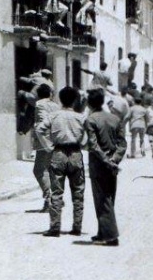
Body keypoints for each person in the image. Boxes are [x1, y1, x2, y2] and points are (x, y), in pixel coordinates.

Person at [40, 87, 87, 237]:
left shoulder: (53, 116)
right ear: (74, 100)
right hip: (75, 153)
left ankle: (55, 227)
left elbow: (39, 129)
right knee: (78, 192)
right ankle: (77, 226)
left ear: (60, 99)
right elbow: (89, 134)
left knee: (56, 191)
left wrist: (48, 146)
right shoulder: (80, 117)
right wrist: (83, 143)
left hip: (58, 153)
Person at [85, 89, 127, 246]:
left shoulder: (91, 120)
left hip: (99, 164)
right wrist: (114, 160)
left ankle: (110, 236)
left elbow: (93, 145)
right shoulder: (115, 119)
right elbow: (122, 143)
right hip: (112, 165)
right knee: (109, 197)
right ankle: (102, 231)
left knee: (101, 199)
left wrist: (106, 161)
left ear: (89, 103)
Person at [32, 82, 60, 212]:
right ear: (50, 93)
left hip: (44, 141)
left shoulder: (39, 104)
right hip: (55, 139)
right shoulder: (55, 105)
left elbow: (41, 122)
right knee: (49, 170)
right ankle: (54, 199)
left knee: (39, 170)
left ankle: (49, 199)